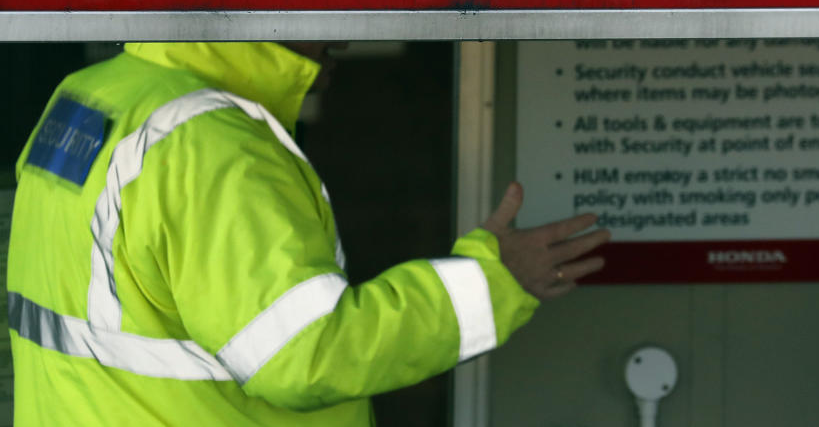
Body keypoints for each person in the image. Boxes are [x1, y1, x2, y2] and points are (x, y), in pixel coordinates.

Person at [7, 41, 609, 425]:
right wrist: (495, 280)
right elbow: (305, 356)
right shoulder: (210, 145)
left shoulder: (95, 95)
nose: (347, 27)